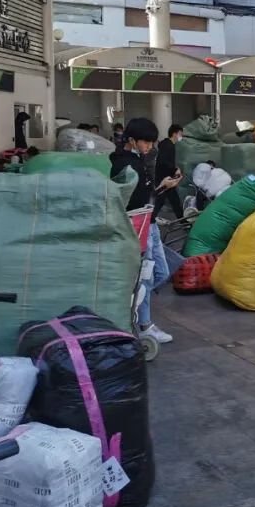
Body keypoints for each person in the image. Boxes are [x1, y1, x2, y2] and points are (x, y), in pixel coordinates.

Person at [110, 117, 179, 345]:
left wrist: (163, 187)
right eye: (146, 142)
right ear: (131, 140)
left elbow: (143, 196)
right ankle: (144, 325)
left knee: (160, 272)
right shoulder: (124, 164)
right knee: (146, 277)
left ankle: (135, 316)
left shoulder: (137, 161)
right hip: (139, 227)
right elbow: (127, 201)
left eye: (151, 143)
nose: (149, 147)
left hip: (149, 223)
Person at [152, 124, 184, 221]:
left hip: (166, 178)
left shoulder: (167, 144)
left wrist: (175, 169)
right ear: (174, 133)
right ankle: (149, 220)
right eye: (180, 134)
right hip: (164, 179)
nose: (181, 137)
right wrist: (175, 170)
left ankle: (183, 221)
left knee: (169, 202)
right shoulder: (168, 145)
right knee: (170, 202)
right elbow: (164, 161)